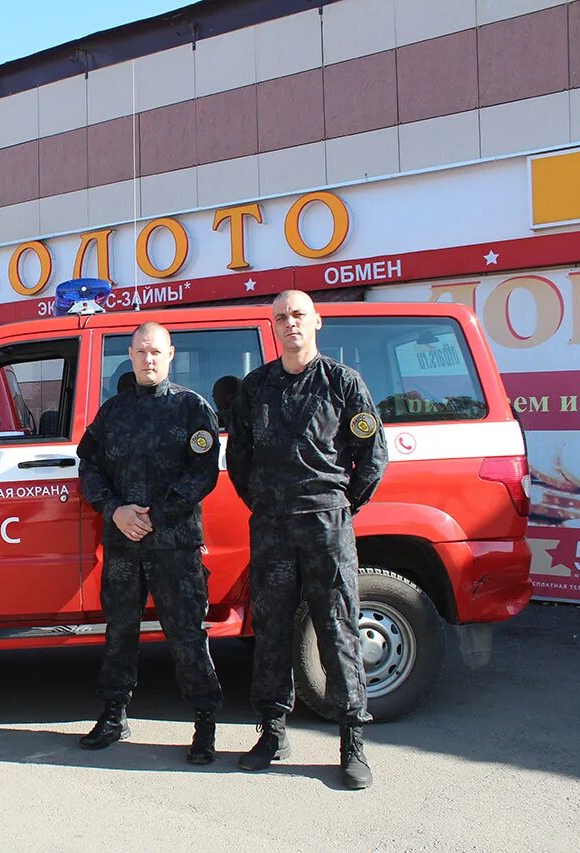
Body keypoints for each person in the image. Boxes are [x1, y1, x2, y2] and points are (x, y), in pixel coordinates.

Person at [226, 290, 389, 790]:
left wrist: (339, 506)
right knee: (271, 631)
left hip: (326, 526)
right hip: (272, 527)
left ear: (316, 321)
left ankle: (352, 742)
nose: (290, 323)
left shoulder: (343, 383)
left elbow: (373, 455)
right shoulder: (255, 388)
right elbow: (240, 461)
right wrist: (265, 504)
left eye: (298, 314)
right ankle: (272, 733)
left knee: (336, 627)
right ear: (273, 327)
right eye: (280, 317)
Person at [76, 322, 224, 764]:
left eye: (156, 351)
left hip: (175, 545)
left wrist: (156, 516)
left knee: (187, 634)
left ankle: (204, 722)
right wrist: (114, 509)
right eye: (141, 351)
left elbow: (202, 473)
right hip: (123, 544)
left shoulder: (192, 409)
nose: (148, 358)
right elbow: (89, 465)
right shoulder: (113, 412)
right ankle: (113, 713)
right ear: (130, 354)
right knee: (120, 631)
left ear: (170, 354)